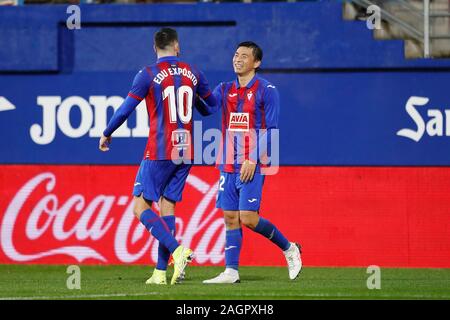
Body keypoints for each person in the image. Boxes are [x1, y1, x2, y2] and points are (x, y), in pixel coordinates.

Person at [99, 27, 217, 285]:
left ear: (155, 48)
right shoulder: (193, 72)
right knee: (168, 206)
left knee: (140, 207)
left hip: (160, 149)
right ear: (177, 46)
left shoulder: (148, 74)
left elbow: (124, 110)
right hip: (187, 150)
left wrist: (107, 132)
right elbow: (211, 108)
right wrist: (196, 95)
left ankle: (178, 250)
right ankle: (160, 273)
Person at [202, 41, 302, 284]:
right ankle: (231, 271)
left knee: (247, 218)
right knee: (229, 217)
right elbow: (207, 109)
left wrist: (252, 158)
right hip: (227, 162)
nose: (238, 59)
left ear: (256, 62)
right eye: (236, 54)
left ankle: (289, 248)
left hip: (253, 162)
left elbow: (272, 130)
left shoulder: (267, 90)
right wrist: (193, 90)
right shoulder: (225, 88)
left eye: (244, 56)